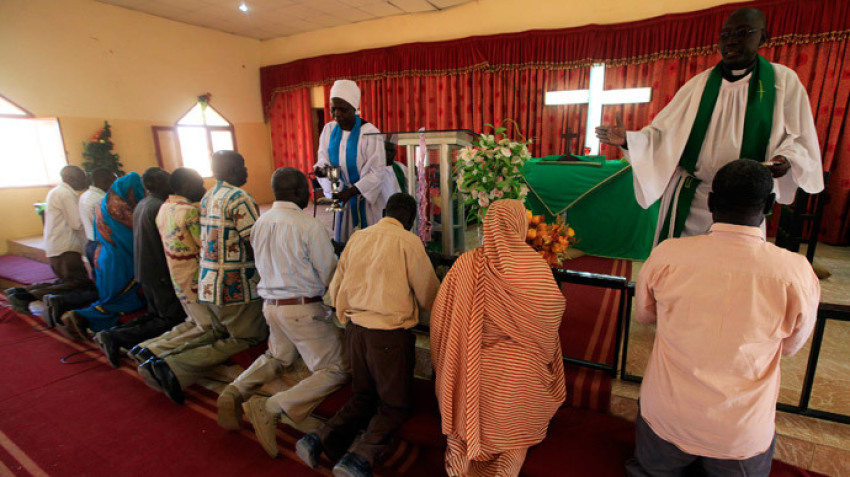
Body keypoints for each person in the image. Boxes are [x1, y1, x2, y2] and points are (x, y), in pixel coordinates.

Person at [627, 159, 820, 477]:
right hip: (739, 431)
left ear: (711, 202)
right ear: (770, 206)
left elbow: (645, 315)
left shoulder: (668, 254)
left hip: (667, 416)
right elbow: (789, 347)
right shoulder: (795, 272)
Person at [595, 7, 823, 244]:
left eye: (742, 33)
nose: (731, 41)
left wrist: (785, 158)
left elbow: (799, 138)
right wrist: (628, 140)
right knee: (679, 261)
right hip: (692, 197)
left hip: (744, 204)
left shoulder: (781, 82)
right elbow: (661, 134)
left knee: (735, 261)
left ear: (762, 37)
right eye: (725, 35)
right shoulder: (699, 85)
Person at [295, 193, 440, 477]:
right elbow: (428, 296)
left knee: (362, 397)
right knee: (394, 406)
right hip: (388, 338)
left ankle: (317, 438)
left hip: (354, 332)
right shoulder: (408, 241)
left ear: (384, 212)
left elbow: (336, 288)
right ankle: (359, 459)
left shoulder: (358, 237)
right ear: (411, 220)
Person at [429, 199, 566, 476]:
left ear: (487, 226)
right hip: (520, 379)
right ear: (520, 226)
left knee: (466, 434)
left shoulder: (466, 264)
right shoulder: (535, 268)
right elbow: (551, 317)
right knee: (515, 434)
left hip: (472, 374)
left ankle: (466, 455)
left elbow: (441, 318)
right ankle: (507, 457)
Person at [223, 168, 348, 457]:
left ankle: (235, 390)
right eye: (306, 189)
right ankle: (271, 407)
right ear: (296, 192)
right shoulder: (309, 226)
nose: (309, 194)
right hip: (303, 309)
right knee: (336, 368)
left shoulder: (261, 222)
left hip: (271, 306)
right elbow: (330, 274)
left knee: (279, 356)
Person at [136, 151, 268, 405]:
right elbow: (254, 242)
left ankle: (159, 358)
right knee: (247, 336)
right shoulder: (239, 197)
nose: (246, 171)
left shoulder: (208, 196)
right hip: (236, 284)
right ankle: (174, 367)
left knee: (218, 331)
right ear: (232, 170)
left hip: (209, 282)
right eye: (242, 166)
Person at [93, 167, 187, 368]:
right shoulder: (159, 207)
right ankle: (118, 338)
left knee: (155, 314)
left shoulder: (143, 204)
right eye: (167, 181)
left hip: (145, 268)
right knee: (169, 318)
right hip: (158, 270)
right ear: (158, 184)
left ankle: (112, 334)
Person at [128, 167, 214, 364]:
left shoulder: (165, 207)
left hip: (177, 275)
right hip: (194, 277)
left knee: (192, 320)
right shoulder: (189, 211)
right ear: (187, 186)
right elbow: (205, 246)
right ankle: (157, 351)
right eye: (199, 185)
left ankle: (146, 347)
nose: (203, 189)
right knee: (206, 326)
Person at [57, 172, 147, 340]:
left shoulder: (103, 203)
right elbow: (132, 236)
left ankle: (82, 318)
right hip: (120, 258)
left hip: (104, 253)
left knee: (110, 295)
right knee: (119, 300)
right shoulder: (123, 208)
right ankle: (81, 317)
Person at [5, 165, 98, 322]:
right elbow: (76, 223)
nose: (84, 181)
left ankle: (21, 293)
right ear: (71, 178)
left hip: (59, 246)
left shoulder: (58, 191)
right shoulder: (65, 194)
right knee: (78, 283)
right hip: (66, 247)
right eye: (81, 177)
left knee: (67, 282)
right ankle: (29, 296)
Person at [313, 79, 386, 243]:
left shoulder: (369, 133)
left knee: (368, 241)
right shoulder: (329, 129)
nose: (337, 114)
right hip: (343, 197)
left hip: (365, 198)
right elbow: (323, 157)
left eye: (343, 109)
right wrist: (322, 170)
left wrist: (351, 192)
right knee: (346, 240)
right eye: (333, 109)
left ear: (354, 109)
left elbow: (377, 171)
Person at [79, 167, 117, 281]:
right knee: (109, 279)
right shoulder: (100, 199)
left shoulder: (85, 195)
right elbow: (109, 224)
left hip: (91, 243)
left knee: (100, 279)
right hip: (102, 244)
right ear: (106, 181)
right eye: (114, 181)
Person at [379, 141, 408, 206]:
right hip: (379, 207)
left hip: (399, 206)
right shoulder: (374, 168)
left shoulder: (400, 167)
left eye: (391, 150)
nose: (389, 153)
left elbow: (413, 185)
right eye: (386, 150)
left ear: (395, 152)